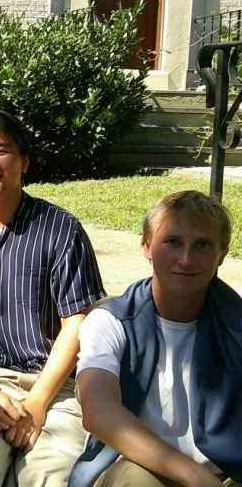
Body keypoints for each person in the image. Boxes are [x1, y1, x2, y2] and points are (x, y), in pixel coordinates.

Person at [0, 110, 106, 487]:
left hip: (53, 386)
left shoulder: (61, 229)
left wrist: (38, 403)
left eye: (2, 150)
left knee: (49, 477)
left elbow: (77, 322)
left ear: (23, 161)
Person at [69, 190, 242, 487]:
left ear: (222, 254)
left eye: (202, 245)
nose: (186, 260)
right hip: (138, 465)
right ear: (146, 246)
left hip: (224, 469)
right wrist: (196, 477)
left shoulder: (235, 322)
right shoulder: (111, 322)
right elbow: (98, 411)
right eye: (172, 242)